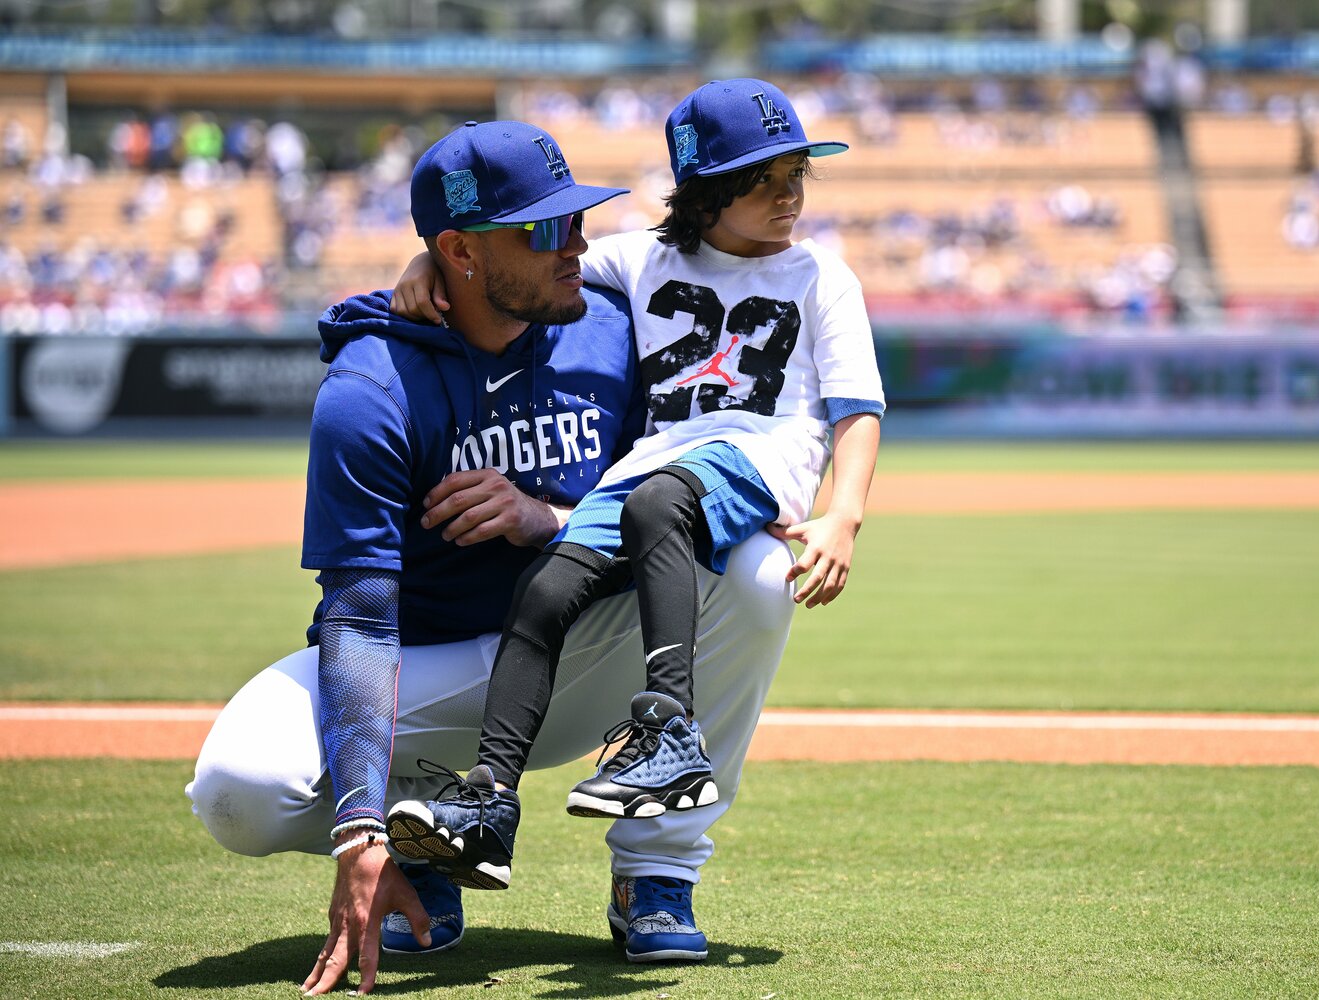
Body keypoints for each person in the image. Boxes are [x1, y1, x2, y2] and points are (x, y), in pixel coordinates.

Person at [185, 119, 798, 996]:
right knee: (237, 790)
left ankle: (656, 869)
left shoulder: (615, 327)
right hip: (425, 675)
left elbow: (681, 499)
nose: (576, 246)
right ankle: (416, 832)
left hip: (582, 660)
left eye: (579, 219)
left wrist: (551, 521)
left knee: (756, 572)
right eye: (546, 229)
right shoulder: (371, 387)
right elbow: (358, 620)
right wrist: (357, 828)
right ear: (460, 253)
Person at [383, 80, 883, 898]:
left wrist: (844, 515)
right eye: (762, 178)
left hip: (764, 456)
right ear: (704, 190)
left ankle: (670, 734)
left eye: (796, 173)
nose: (788, 193)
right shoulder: (640, 257)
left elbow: (857, 408)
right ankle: (489, 803)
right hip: (656, 461)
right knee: (544, 594)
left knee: (661, 505)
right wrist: (428, 260)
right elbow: (511, 262)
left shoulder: (823, 276)